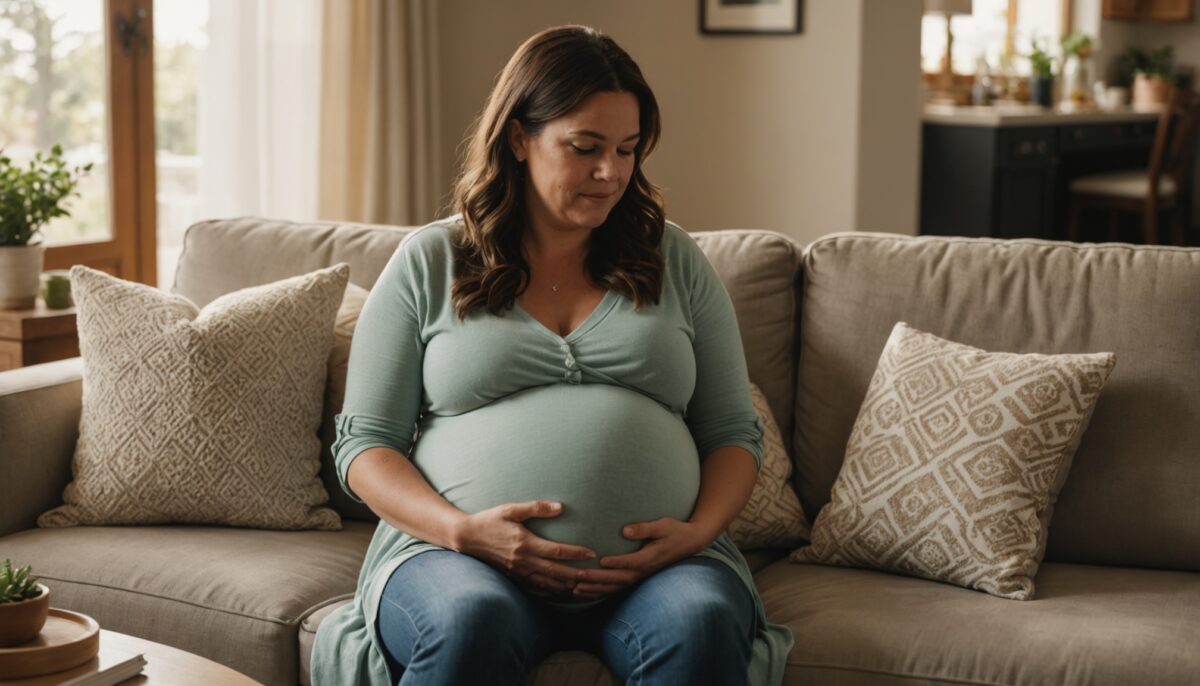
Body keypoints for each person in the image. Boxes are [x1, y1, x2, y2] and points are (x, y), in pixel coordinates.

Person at [310, 25, 794, 686]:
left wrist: (698, 531)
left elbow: (733, 435)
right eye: (585, 147)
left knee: (701, 623)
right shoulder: (431, 261)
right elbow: (365, 446)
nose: (611, 173)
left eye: (627, 150)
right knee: (470, 622)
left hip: (661, 570)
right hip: (455, 559)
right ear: (519, 137)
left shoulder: (673, 259)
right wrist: (463, 531)